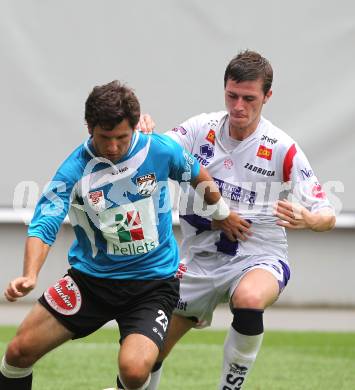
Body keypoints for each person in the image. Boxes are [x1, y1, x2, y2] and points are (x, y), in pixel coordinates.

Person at [0, 81, 246, 390]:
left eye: (122, 137)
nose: (113, 147)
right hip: (91, 282)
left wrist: (222, 214)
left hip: (152, 284)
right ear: (89, 127)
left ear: (135, 127)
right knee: (18, 351)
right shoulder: (74, 170)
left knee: (134, 370)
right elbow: (44, 223)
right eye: (105, 138)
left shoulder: (159, 150)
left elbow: (195, 173)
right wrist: (30, 274)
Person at [139, 50, 336, 389]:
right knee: (144, 356)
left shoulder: (280, 147)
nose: (239, 106)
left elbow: (327, 212)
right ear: (225, 90)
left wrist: (310, 219)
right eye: (232, 96)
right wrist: (143, 131)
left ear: (267, 97)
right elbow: (154, 148)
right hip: (198, 259)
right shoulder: (201, 129)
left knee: (248, 300)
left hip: (257, 256)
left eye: (249, 98)